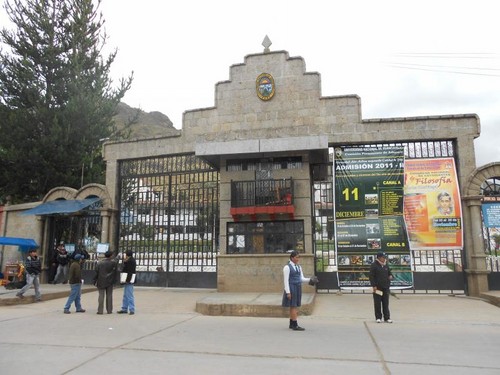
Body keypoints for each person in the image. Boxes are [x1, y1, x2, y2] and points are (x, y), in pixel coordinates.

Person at [282, 250, 318, 331]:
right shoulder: (287, 267)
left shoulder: (298, 267)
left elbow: (301, 279)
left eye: (298, 257)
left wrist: (310, 280)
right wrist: (288, 292)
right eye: (296, 257)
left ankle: (291, 323)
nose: (298, 259)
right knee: (293, 306)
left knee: (294, 306)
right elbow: (286, 281)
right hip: (291, 288)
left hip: (298, 287)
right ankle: (295, 324)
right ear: (292, 258)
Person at [369, 251, 393, 323]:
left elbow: (389, 272)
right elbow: (371, 276)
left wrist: (391, 276)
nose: (384, 258)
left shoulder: (386, 265)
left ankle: (387, 318)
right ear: (379, 258)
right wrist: (374, 285)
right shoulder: (374, 265)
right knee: (377, 303)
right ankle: (378, 317)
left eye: (385, 257)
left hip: (385, 287)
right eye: (383, 257)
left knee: (386, 303)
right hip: (377, 288)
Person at [93, 250, 119, 314]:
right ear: (111, 256)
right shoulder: (113, 263)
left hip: (101, 281)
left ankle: (100, 310)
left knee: (101, 295)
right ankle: (109, 310)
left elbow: (96, 272)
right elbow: (115, 272)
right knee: (109, 295)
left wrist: (94, 280)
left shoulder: (99, 263)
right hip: (110, 281)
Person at [117, 250, 137, 315]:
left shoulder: (129, 261)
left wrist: (124, 262)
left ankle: (131, 309)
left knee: (129, 295)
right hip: (128, 278)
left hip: (129, 279)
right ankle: (124, 308)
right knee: (126, 295)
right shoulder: (131, 260)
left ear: (126, 255)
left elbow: (126, 269)